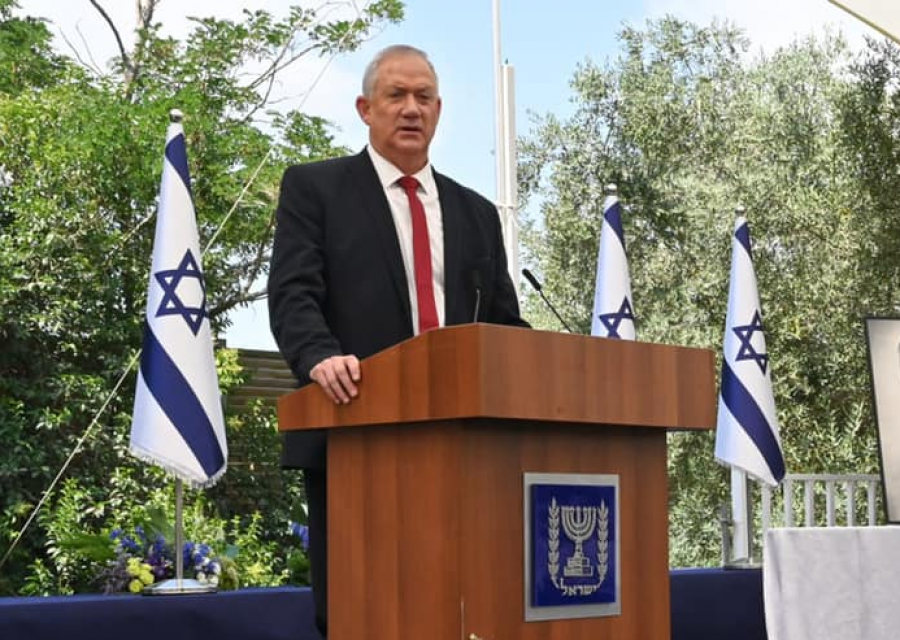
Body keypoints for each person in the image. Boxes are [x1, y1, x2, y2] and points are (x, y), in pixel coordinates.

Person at [267, 44, 529, 637]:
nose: (412, 109)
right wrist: (318, 357)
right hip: (356, 427)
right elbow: (292, 293)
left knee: (465, 605)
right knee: (364, 611)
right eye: (396, 96)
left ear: (439, 110)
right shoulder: (317, 189)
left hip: (467, 446)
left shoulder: (477, 213)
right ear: (365, 107)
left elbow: (504, 323)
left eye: (424, 97)